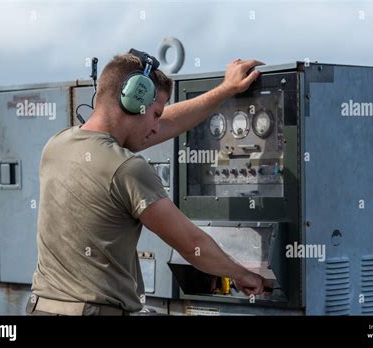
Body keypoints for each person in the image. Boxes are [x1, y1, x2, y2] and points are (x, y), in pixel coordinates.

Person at [26, 50, 266, 316]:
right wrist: (242, 274)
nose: (156, 126)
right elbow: (190, 243)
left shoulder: (57, 145)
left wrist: (224, 90)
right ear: (132, 102)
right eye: (155, 114)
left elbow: (162, 126)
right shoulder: (127, 169)